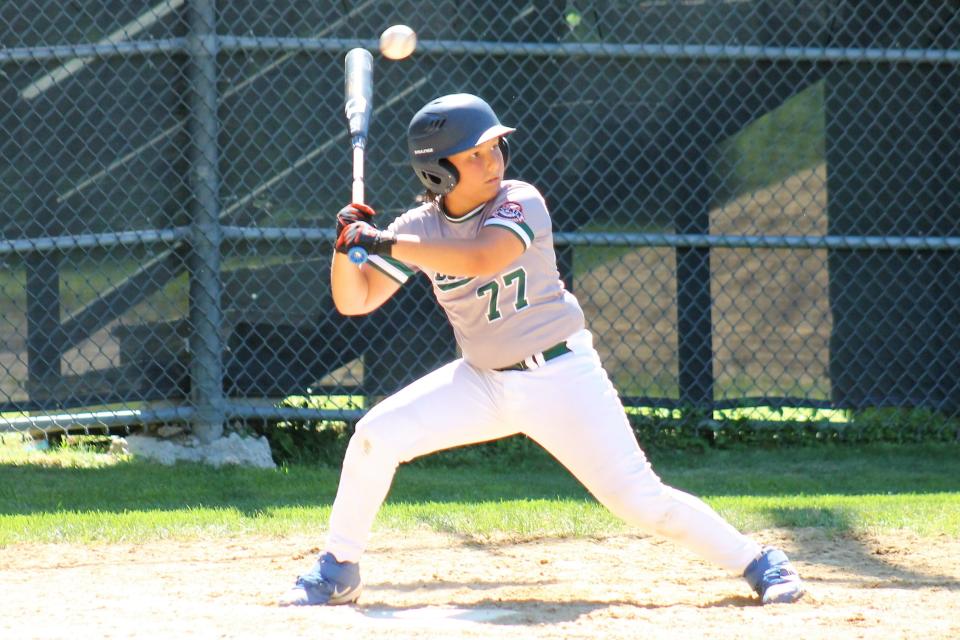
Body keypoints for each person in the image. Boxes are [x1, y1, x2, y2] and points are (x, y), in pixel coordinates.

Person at [279, 93, 805, 607]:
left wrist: (379, 241)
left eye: (495, 148)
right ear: (437, 171)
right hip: (482, 382)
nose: (493, 161)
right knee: (375, 435)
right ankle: (339, 568)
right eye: (475, 154)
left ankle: (759, 562)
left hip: (561, 378)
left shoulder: (519, 199)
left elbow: (485, 256)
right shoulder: (419, 228)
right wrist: (347, 246)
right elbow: (357, 300)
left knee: (641, 500)